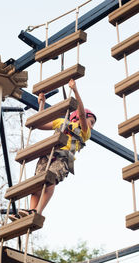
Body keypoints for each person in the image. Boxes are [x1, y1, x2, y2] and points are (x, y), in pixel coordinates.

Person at [11, 79, 96, 220]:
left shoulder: (85, 132)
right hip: (47, 155)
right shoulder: (61, 122)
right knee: (37, 184)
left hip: (64, 158)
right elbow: (39, 124)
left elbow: (81, 114)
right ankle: (31, 211)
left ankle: (38, 211)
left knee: (50, 180)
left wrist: (75, 91)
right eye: (91, 122)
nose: (92, 126)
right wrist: (42, 104)